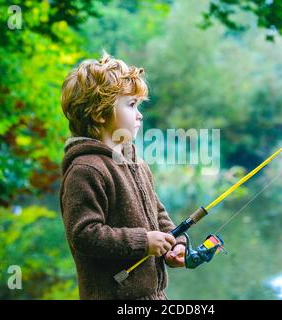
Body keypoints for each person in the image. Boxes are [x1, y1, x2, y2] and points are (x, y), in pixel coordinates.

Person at [59, 51, 187, 300]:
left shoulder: (136, 162)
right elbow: (84, 234)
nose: (139, 114)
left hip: (154, 295)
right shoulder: (86, 170)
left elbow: (157, 214)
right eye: (131, 105)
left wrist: (175, 242)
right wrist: (143, 241)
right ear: (99, 113)